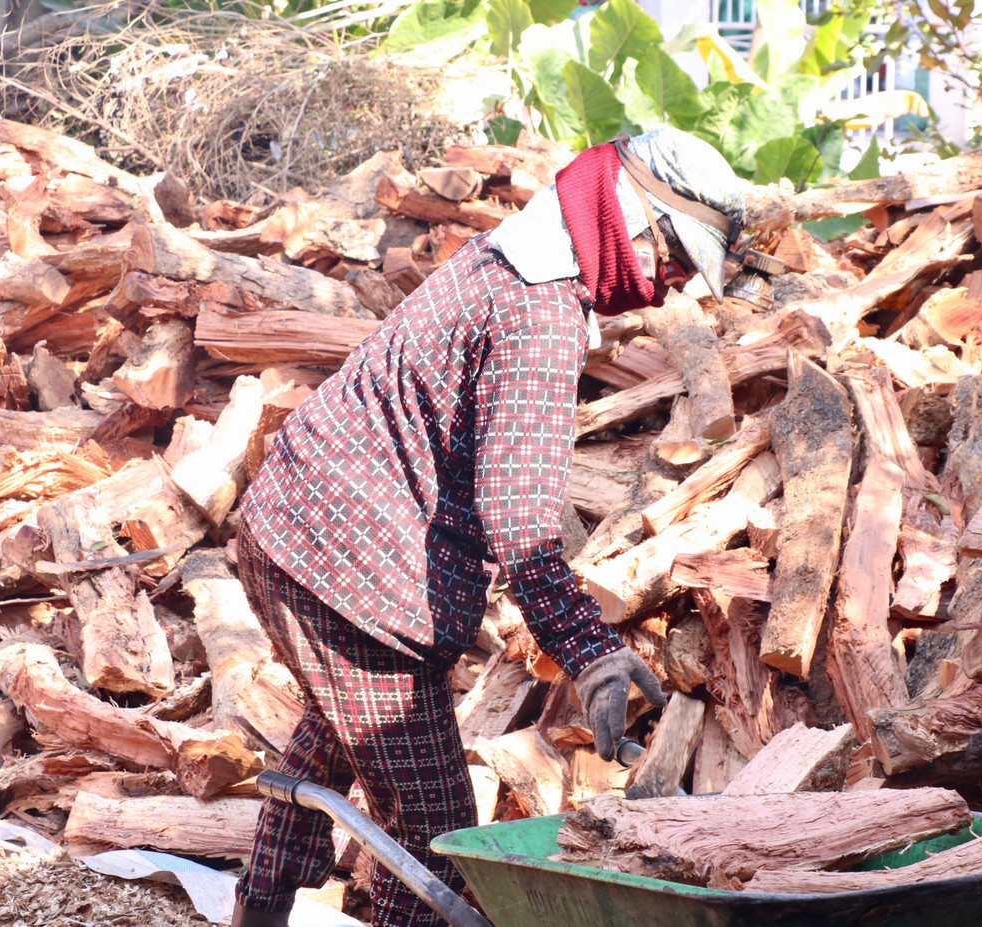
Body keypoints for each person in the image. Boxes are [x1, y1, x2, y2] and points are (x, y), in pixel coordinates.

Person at [230, 126, 750, 927]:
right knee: (441, 836)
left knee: (333, 741)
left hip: (292, 532)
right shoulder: (539, 311)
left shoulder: (511, 256)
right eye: (672, 260)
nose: (666, 285)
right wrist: (593, 655)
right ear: (632, 217)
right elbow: (521, 523)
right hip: (346, 572)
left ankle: (257, 911)